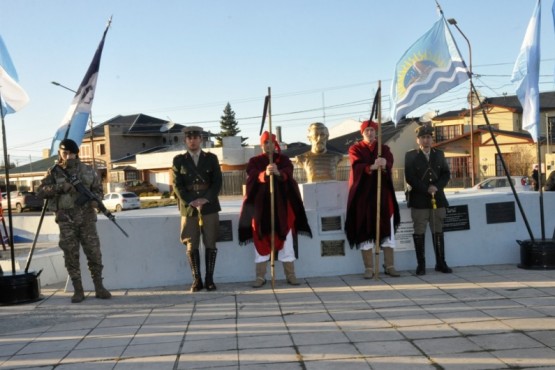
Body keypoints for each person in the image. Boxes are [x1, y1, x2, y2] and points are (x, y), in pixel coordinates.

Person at [37, 139, 111, 303]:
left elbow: (98, 190)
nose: (68, 156)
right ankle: (78, 290)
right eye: (65, 153)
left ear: (76, 153)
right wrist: (59, 188)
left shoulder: (88, 170)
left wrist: (95, 200)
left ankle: (99, 287)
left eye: (71, 153)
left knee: (94, 253)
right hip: (66, 220)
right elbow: (40, 191)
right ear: (60, 154)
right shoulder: (54, 172)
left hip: (86, 220)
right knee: (71, 255)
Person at [238, 131, 312, 287]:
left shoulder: (283, 160)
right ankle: (260, 276)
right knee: (260, 238)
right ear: (261, 144)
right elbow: (252, 175)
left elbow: (289, 172)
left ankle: (290, 274)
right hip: (261, 209)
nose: (268, 145)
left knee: (287, 239)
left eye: (271, 142)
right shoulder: (254, 161)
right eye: (265, 142)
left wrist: (279, 172)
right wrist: (263, 174)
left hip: (282, 207)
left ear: (275, 144)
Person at [345, 120, 401, 279]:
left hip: (383, 196)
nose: (370, 133)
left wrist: (385, 163)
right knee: (365, 232)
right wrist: (370, 167)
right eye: (367, 130)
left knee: (387, 232)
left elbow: (390, 161)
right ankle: (369, 267)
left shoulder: (383, 148)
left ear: (376, 132)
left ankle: (389, 266)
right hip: (364, 198)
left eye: (372, 130)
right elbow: (356, 166)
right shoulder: (355, 148)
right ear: (362, 133)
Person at [172, 126, 222, 292]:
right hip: (189, 207)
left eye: (195, 137)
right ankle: (197, 280)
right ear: (185, 140)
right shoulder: (179, 160)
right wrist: (191, 200)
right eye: (189, 138)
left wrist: (205, 198)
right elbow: (177, 185)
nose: (192, 140)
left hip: (209, 205)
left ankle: (209, 279)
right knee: (191, 244)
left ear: (201, 139)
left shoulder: (211, 158)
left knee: (210, 241)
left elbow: (217, 182)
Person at [404, 124, 453, 275]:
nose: (426, 140)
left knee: (438, 231)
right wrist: (426, 188)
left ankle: (441, 263)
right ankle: (421, 265)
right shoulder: (411, 155)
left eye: (429, 137)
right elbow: (410, 177)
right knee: (419, 232)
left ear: (432, 139)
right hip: (419, 199)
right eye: (423, 137)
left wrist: (436, 187)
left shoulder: (439, 154)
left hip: (437, 198)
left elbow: (446, 174)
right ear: (418, 139)